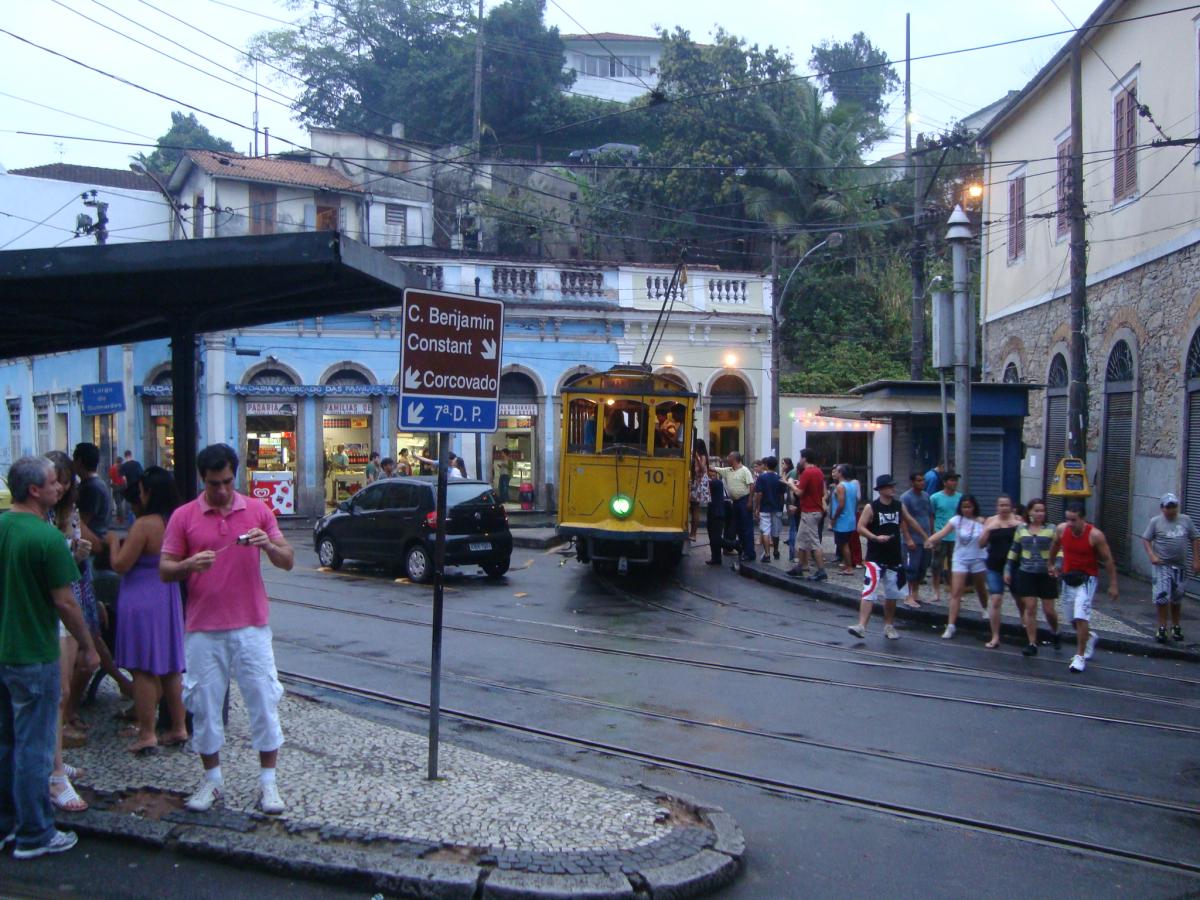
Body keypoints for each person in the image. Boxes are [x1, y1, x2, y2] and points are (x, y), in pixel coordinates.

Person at [160, 444, 295, 814]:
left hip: (251, 624)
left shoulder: (256, 510)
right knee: (204, 705)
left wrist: (268, 544)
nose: (220, 490)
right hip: (203, 627)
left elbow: (288, 561)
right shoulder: (184, 516)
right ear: (202, 480)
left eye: (226, 482)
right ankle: (212, 780)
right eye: (213, 483)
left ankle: (269, 783)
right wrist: (188, 564)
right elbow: (165, 569)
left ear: (236, 476)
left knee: (264, 700)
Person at [0, 456, 99, 859]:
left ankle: (7, 825)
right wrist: (88, 646)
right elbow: (67, 603)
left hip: (4, 652)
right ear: (34, 491)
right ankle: (35, 834)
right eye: (52, 483)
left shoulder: (3, 526)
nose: (60, 488)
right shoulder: (45, 540)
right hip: (34, 654)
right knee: (35, 749)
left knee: (7, 744)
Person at [106, 467, 187, 754]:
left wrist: (114, 543)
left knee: (143, 668)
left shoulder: (145, 525)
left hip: (141, 597)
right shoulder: (177, 520)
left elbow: (120, 565)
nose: (138, 494)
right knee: (170, 667)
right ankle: (179, 727)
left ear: (150, 492)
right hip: (167, 596)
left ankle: (147, 733)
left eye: (141, 489)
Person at [848, 474, 922, 641]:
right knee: (869, 590)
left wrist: (926, 537)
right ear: (881, 490)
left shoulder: (898, 506)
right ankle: (861, 625)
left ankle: (889, 625)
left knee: (892, 594)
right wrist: (874, 537)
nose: (893, 489)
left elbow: (909, 521)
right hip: (875, 556)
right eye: (889, 487)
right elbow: (860, 527)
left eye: (893, 486)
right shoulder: (871, 507)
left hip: (894, 557)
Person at [1049, 501, 1119, 673]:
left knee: (1081, 616)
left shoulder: (1095, 535)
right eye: (1068, 520)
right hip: (1068, 577)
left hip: (1087, 579)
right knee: (1071, 617)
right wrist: (1051, 563)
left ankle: (1079, 656)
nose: (1070, 524)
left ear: (1082, 519)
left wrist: (1113, 584)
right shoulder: (1061, 529)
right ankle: (1088, 637)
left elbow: (1108, 560)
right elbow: (1055, 545)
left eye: (1074, 520)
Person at [926, 494, 988, 640]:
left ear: (974, 507)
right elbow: (942, 533)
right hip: (960, 558)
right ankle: (951, 625)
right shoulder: (956, 521)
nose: (967, 510)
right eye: (964, 507)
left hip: (978, 558)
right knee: (956, 591)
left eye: (969, 507)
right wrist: (930, 540)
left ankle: (985, 608)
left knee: (980, 587)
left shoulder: (982, 522)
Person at [1140, 493, 1200, 643]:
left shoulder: (1185, 520)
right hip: (1162, 565)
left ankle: (1176, 625)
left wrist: (1196, 559)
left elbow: (1195, 538)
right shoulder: (1156, 522)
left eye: (1174, 506)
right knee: (1162, 597)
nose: (1171, 510)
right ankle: (1161, 627)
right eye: (1168, 507)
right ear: (1162, 508)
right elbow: (1146, 539)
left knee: (1177, 597)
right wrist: (1152, 556)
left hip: (1180, 566)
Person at [1006, 498, 1061, 656]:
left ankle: (1055, 631)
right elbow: (1014, 550)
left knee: (1049, 610)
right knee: (1030, 607)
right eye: (1036, 510)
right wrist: (1008, 569)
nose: (1039, 514)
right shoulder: (1021, 529)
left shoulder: (1051, 529)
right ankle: (1032, 642)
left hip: (1046, 573)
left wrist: (1056, 566)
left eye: (1042, 511)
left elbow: (1059, 549)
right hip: (1026, 572)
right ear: (1029, 512)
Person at [979, 495, 1022, 649]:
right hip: (994, 565)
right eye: (1001, 505)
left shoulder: (1018, 521)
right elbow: (981, 544)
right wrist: (989, 529)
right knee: (996, 599)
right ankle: (995, 635)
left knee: (1020, 599)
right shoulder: (991, 521)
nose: (1004, 508)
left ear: (1011, 506)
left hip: (1013, 566)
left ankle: (1027, 628)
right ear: (997, 507)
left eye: (1006, 505)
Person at [787, 448, 827, 581]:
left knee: (814, 542)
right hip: (814, 510)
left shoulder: (807, 473)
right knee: (801, 539)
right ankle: (799, 566)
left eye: (801, 457)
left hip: (810, 511)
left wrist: (791, 484)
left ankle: (821, 570)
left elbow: (799, 493)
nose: (799, 460)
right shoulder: (819, 472)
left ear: (804, 459)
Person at [709, 452, 756, 563]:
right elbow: (713, 468)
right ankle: (743, 550)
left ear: (735, 459)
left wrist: (750, 501)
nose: (727, 458)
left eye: (729, 457)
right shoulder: (728, 470)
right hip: (735, 502)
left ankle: (749, 553)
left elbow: (751, 485)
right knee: (739, 528)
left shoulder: (745, 470)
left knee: (747, 528)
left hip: (744, 500)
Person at [899, 472, 933, 609]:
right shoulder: (905, 498)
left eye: (923, 480)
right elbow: (904, 519)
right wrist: (908, 538)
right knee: (911, 567)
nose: (922, 483)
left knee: (922, 567)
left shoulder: (926, 496)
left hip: (926, 537)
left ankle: (916, 592)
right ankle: (909, 594)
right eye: (919, 480)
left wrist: (932, 535)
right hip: (913, 538)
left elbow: (930, 515)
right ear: (912, 482)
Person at [929, 472, 962, 602]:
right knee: (936, 564)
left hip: (956, 537)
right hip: (940, 535)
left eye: (955, 481)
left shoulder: (960, 498)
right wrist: (933, 534)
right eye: (952, 480)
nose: (954, 483)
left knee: (954, 566)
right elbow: (931, 516)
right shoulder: (935, 498)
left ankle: (954, 590)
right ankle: (936, 591)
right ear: (945, 482)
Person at [829, 464, 861, 577]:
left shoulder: (840, 487)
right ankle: (848, 564)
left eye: (837, 471)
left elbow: (841, 504)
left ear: (841, 473)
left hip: (842, 520)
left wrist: (834, 518)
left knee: (843, 544)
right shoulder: (852, 485)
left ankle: (848, 567)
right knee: (845, 542)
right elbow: (856, 500)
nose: (835, 473)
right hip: (850, 517)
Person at [753, 456, 786, 563]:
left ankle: (767, 554)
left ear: (766, 465)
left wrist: (757, 508)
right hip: (776, 508)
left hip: (764, 507)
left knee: (765, 531)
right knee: (775, 532)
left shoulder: (762, 477)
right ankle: (776, 550)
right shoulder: (779, 478)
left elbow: (759, 494)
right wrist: (781, 506)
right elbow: (782, 495)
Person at [689, 440, 711, 541]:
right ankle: (691, 531)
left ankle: (693, 533)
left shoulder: (702, 457)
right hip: (694, 481)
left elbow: (702, 469)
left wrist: (697, 457)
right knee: (692, 508)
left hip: (699, 483)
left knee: (696, 508)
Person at [705, 470, 727, 566]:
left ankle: (734, 544)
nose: (711, 477)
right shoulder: (715, 482)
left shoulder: (717, 483)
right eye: (710, 475)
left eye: (713, 475)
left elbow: (707, 484)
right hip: (713, 512)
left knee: (715, 537)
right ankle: (716, 558)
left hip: (717, 513)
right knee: (712, 537)